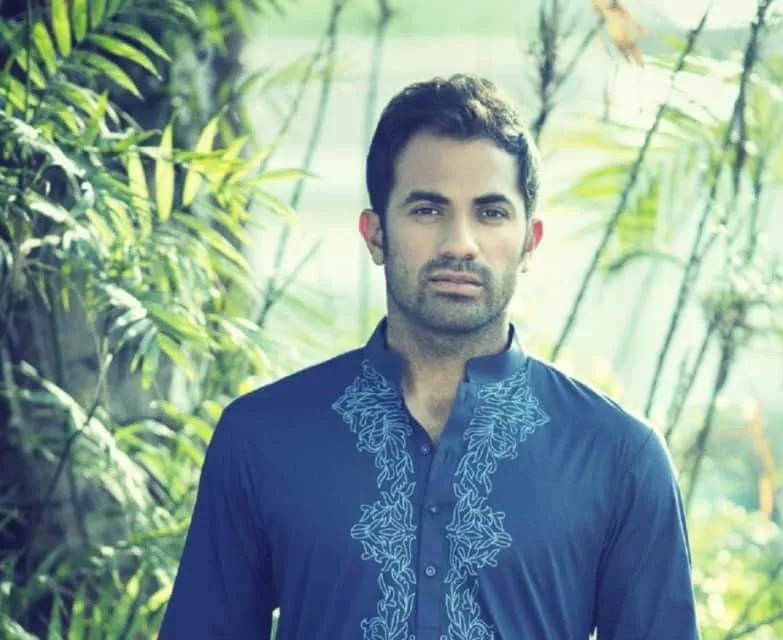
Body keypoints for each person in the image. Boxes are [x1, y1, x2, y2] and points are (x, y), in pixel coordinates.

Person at [159, 73, 701, 639]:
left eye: (491, 213)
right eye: (427, 210)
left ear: (530, 242)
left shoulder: (617, 457)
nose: (460, 242)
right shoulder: (262, 438)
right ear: (375, 234)